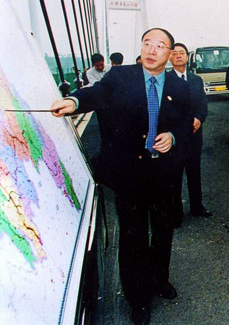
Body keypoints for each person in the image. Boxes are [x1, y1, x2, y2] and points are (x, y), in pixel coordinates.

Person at [50, 28, 192, 325]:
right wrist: (74, 102)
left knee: (163, 231)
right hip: (129, 174)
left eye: (160, 46)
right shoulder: (119, 77)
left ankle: (159, 280)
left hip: (164, 173)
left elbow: (184, 123)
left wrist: (173, 137)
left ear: (170, 54)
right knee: (133, 237)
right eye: (147, 43)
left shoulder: (179, 87)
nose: (152, 50)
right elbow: (96, 94)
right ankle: (138, 299)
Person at [170, 43, 211, 221]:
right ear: (170, 57)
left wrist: (199, 119)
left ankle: (197, 207)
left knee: (194, 171)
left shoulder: (196, 80)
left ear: (188, 57)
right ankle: (175, 213)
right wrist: (186, 123)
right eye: (175, 53)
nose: (178, 55)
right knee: (175, 175)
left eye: (182, 53)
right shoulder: (166, 80)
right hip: (175, 136)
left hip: (195, 134)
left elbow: (202, 103)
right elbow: (167, 110)